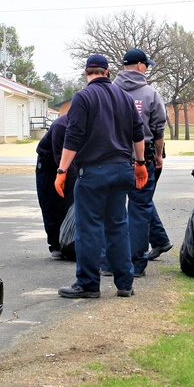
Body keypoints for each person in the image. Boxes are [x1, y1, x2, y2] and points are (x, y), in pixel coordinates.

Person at [55, 54, 148, 299]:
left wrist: (62, 170)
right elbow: (138, 134)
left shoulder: (83, 97)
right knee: (118, 227)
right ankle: (125, 283)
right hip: (122, 169)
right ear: (107, 72)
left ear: (87, 73)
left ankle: (87, 283)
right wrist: (140, 163)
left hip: (94, 172)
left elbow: (73, 137)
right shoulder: (125, 97)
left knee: (89, 229)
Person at [113, 48, 170, 277]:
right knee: (139, 210)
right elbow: (158, 129)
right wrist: (158, 155)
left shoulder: (111, 91)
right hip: (142, 158)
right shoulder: (150, 94)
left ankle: (110, 263)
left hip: (113, 158)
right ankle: (136, 265)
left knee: (112, 211)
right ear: (139, 66)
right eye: (147, 64)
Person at [35, 111, 75, 258]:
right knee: (51, 203)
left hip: (69, 164)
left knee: (69, 203)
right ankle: (55, 244)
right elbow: (60, 157)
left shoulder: (84, 124)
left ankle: (69, 243)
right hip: (49, 164)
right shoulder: (61, 125)